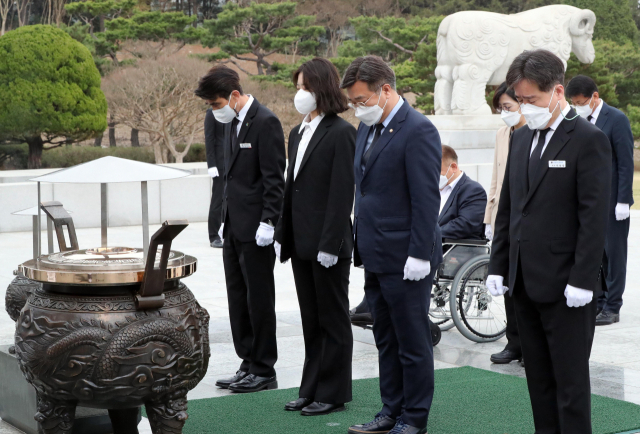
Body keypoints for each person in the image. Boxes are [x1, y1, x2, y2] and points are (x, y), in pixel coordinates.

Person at [487, 49, 611, 434]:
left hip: (566, 285)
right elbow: (509, 208)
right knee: (538, 381)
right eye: (520, 100)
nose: (525, 107)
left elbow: (594, 218)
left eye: (532, 100)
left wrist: (582, 278)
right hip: (523, 281)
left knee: (570, 384)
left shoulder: (588, 139)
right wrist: (498, 265)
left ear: (557, 91)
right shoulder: (521, 137)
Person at [342, 55, 442, 434]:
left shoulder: (418, 130)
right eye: (353, 102)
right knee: (385, 338)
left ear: (386, 90)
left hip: (407, 256)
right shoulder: (367, 129)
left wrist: (418, 254)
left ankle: (414, 418)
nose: (357, 108)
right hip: (376, 253)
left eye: (362, 100)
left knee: (412, 342)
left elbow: (425, 199)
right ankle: (390, 410)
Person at [195, 65, 286, 393]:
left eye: (216, 104)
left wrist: (269, 222)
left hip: (257, 228)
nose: (213, 111)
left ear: (234, 95)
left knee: (260, 299)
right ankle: (247, 362)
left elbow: (275, 179)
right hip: (233, 225)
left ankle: (264, 369)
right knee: (238, 298)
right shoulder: (229, 124)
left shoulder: (266, 121)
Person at [273, 58, 356, 416]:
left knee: (333, 320)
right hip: (301, 241)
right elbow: (291, 188)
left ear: (321, 87)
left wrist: (330, 244)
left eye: (305, 87)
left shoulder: (341, 132)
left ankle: (333, 392)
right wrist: (282, 232)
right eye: (298, 86)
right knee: (311, 319)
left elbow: (342, 195)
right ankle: (311, 387)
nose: (299, 94)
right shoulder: (298, 131)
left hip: (328, 245)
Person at [566, 75, 635, 326]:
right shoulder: (578, 120)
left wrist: (623, 200)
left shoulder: (616, 119)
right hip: (590, 200)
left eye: (581, 101)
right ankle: (600, 299)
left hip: (613, 199)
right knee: (597, 253)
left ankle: (613, 306)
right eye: (573, 102)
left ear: (594, 96)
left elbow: (625, 162)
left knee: (615, 254)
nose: (577, 106)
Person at [485, 82, 526, 365]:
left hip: (525, 219)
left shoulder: (532, 133)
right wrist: (489, 217)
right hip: (503, 217)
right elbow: (496, 179)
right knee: (506, 283)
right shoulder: (503, 133)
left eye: (508, 107)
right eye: (500, 108)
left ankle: (530, 344)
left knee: (525, 284)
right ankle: (514, 343)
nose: (504, 113)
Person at [438, 145, 486, 240]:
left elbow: (465, 224)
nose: (433, 175)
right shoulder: (432, 190)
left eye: (438, 171)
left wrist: (429, 234)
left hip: (456, 250)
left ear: (454, 167)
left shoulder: (473, 190)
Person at [205, 109, 225, 248]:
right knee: (218, 200)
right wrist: (211, 164)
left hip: (233, 162)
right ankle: (214, 236)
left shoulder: (233, 111)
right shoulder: (212, 113)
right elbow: (209, 138)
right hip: (219, 163)